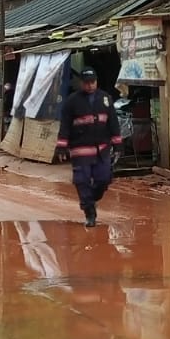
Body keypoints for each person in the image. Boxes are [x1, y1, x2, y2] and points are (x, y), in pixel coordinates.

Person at [56, 68, 123, 227]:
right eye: (87, 83)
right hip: (81, 149)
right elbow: (64, 125)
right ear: (81, 83)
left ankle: (91, 199)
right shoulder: (72, 101)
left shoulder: (105, 98)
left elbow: (113, 122)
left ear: (96, 82)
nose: (90, 86)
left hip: (102, 148)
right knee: (82, 180)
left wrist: (118, 144)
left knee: (104, 178)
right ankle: (89, 211)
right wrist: (61, 146)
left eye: (93, 82)